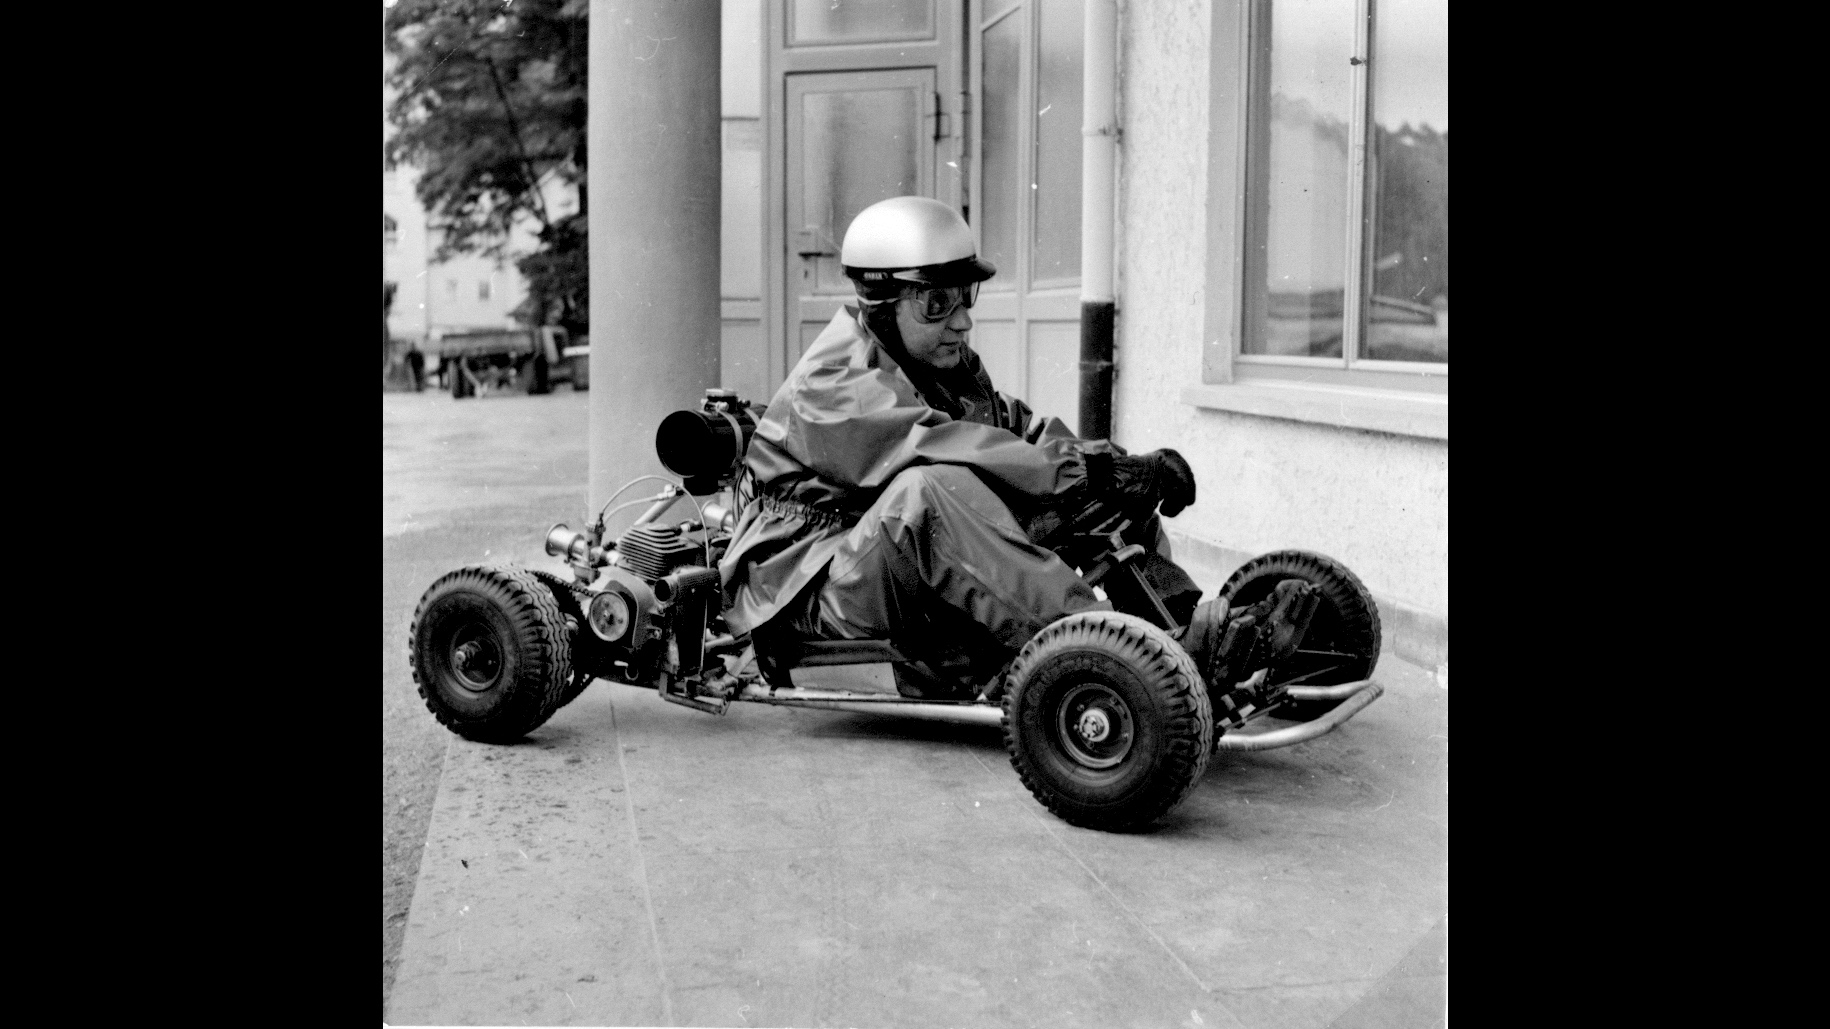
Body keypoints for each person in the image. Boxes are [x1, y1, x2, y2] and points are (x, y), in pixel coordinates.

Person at [719, 196, 1215, 698]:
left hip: (887, 576)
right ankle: (1108, 654)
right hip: (812, 599)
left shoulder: (942, 367)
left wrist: (1118, 468)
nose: (961, 321)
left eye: (964, 296)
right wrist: (1092, 471)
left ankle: (1181, 629)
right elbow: (943, 446)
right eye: (937, 303)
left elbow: (1018, 435)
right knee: (929, 491)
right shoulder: (831, 385)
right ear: (881, 304)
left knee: (1089, 490)